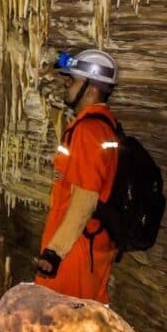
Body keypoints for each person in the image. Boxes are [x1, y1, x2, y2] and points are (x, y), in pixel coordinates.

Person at [35, 49, 121, 303]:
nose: (67, 84)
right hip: (95, 243)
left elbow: (85, 200)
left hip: (76, 250)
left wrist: (55, 252)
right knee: (85, 320)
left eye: (73, 80)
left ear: (91, 89)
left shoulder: (88, 131)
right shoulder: (107, 126)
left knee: (62, 322)